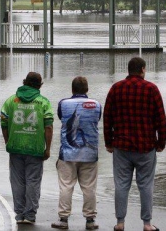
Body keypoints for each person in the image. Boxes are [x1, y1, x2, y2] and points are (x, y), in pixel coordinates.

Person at [103, 57, 166, 231]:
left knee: (121, 184)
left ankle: (120, 222)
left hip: (122, 146)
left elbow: (107, 117)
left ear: (128, 70)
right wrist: (161, 143)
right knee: (146, 185)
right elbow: (160, 118)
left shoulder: (116, 89)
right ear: (143, 69)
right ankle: (147, 224)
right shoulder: (152, 89)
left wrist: (109, 142)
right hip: (146, 146)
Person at [0, 72, 54, 225]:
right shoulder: (43, 102)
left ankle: (19, 214)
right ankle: (30, 215)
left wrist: (8, 141)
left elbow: (3, 122)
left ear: (24, 82)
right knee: (33, 181)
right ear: (39, 85)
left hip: (15, 146)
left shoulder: (11, 100)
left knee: (17, 182)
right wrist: (47, 148)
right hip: (35, 148)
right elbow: (48, 126)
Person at [51, 76, 102, 230]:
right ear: (87, 89)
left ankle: (63, 219)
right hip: (90, 154)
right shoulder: (97, 105)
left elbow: (62, 118)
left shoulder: (63, 103)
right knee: (89, 187)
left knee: (66, 186)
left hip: (68, 154)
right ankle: (90, 220)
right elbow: (97, 119)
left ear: (72, 89)